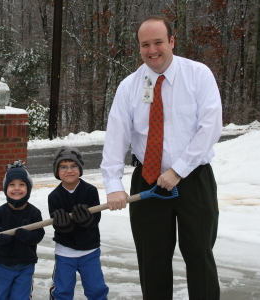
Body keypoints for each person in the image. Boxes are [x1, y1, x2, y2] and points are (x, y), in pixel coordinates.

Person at [100, 15, 222, 299]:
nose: (152, 50)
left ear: (172, 41)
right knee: (152, 260)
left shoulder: (198, 75)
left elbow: (210, 127)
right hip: (147, 181)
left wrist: (178, 170)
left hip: (194, 179)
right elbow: (116, 138)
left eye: (158, 42)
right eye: (145, 44)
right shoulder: (129, 87)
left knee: (199, 256)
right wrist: (113, 185)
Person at [48, 146, 109, 300]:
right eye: (63, 167)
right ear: (57, 171)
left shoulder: (90, 191)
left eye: (74, 166)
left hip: (89, 251)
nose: (69, 170)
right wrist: (64, 226)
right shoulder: (54, 196)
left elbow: (96, 219)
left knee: (96, 289)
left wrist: (88, 221)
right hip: (65, 252)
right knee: (62, 291)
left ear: (80, 169)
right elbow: (57, 224)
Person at [0, 161, 45, 300]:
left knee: (20, 297)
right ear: (5, 188)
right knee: (2, 296)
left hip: (26, 265)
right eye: (12, 184)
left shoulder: (34, 213)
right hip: (3, 264)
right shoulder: (0, 212)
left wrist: (28, 236)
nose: (17, 189)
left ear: (28, 188)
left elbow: (39, 235)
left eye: (22, 184)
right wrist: (0, 237)